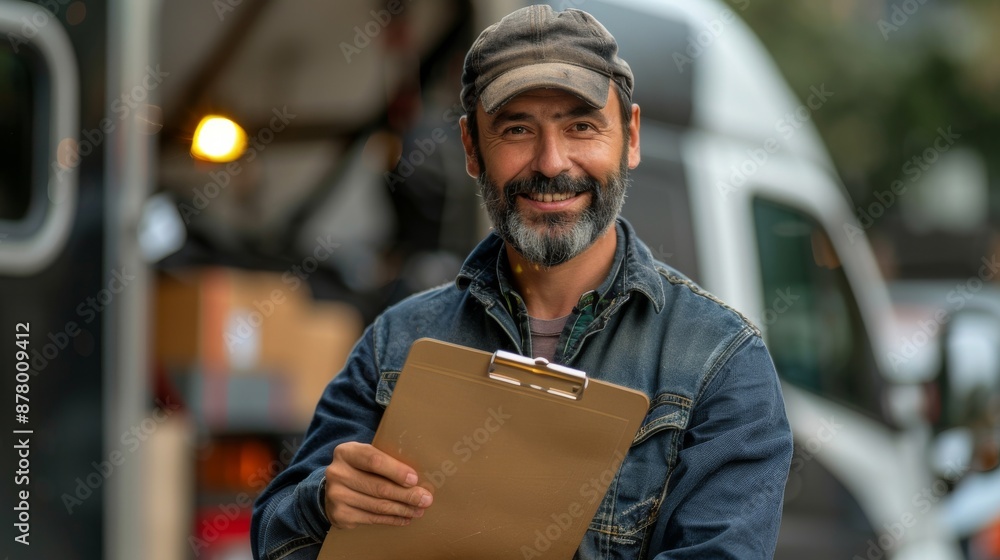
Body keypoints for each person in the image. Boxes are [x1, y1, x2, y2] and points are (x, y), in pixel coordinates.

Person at [251, 5, 793, 559]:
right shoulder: (398, 340)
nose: (552, 162)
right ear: (471, 149)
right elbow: (274, 536)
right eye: (516, 129)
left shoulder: (720, 361)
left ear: (630, 135)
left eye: (581, 125)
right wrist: (321, 501)